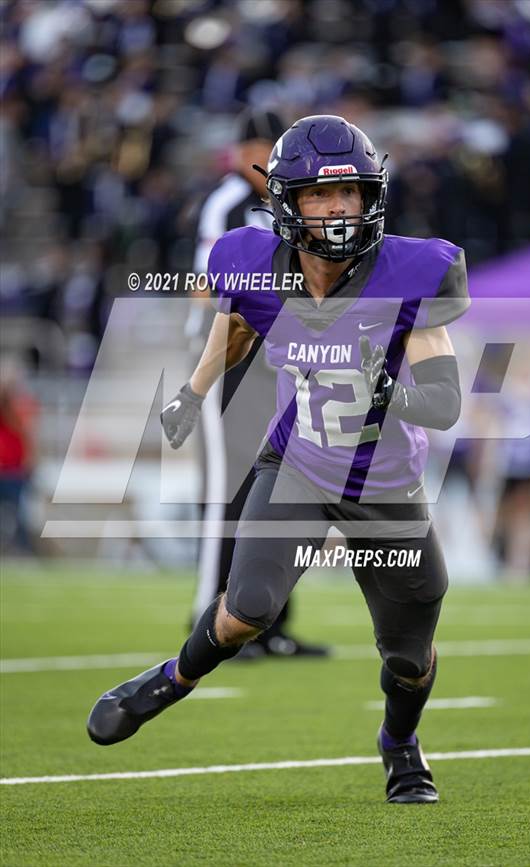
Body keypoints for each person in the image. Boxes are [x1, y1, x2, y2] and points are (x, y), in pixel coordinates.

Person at [87, 115, 469, 804]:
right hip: (298, 462)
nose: (340, 209)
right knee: (247, 609)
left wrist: (393, 391)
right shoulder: (249, 263)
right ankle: (169, 678)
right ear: (287, 202)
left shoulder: (410, 272)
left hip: (386, 483)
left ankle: (400, 743)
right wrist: (192, 392)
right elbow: (235, 326)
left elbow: (442, 400)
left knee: (409, 659)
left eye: (351, 193)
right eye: (322, 197)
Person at [189, 106, 329, 658]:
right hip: (235, 352)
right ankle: (211, 616)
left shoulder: (292, 204)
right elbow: (207, 287)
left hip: (283, 356)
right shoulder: (228, 204)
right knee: (231, 489)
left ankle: (269, 622)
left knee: (283, 486)